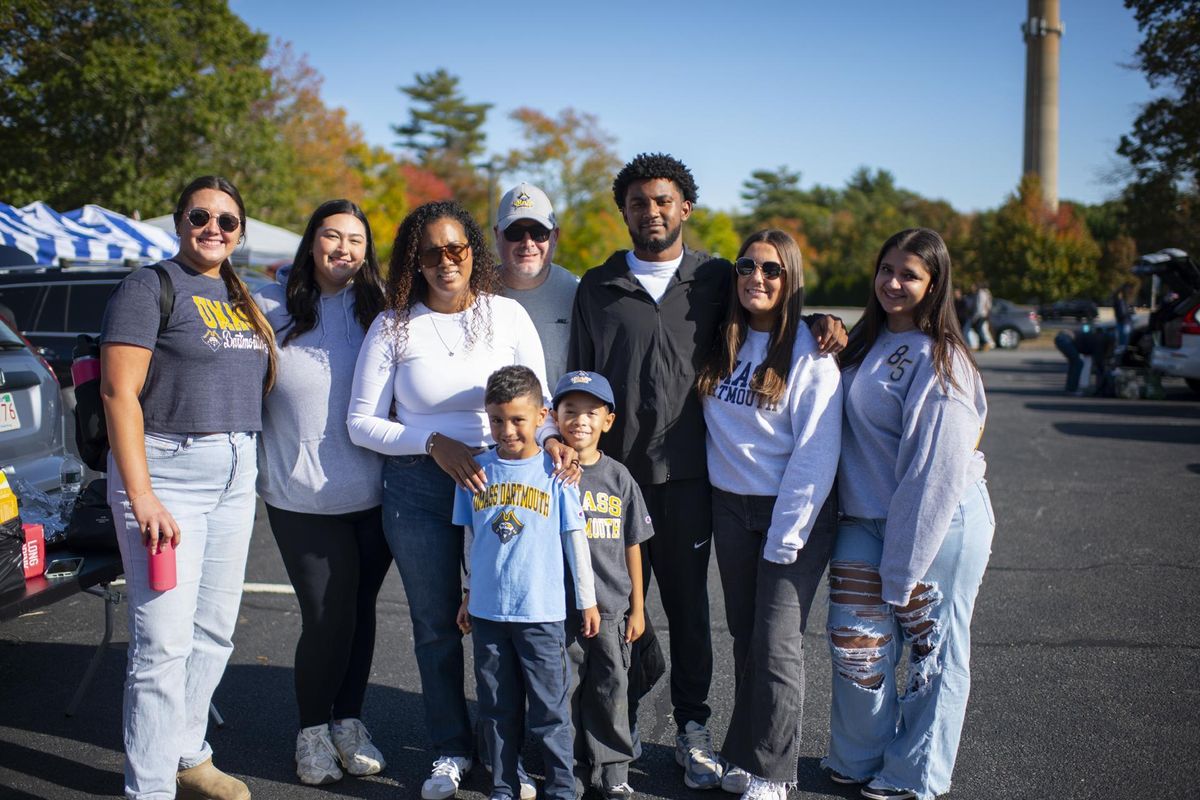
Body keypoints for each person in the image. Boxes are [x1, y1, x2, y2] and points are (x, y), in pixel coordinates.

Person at [567, 152, 846, 790]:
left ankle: (692, 727)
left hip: (694, 482)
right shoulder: (598, 285)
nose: (651, 211)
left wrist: (822, 324)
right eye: (638, 202)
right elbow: (579, 379)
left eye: (663, 200)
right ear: (624, 211)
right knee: (610, 610)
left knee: (690, 610)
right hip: (614, 479)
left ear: (685, 207)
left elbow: (767, 316)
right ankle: (622, 715)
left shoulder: (717, 278)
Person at [347, 200, 575, 800]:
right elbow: (361, 423)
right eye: (431, 253)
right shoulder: (394, 326)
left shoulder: (506, 316)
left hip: (508, 486)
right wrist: (431, 441)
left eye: (458, 249)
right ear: (414, 262)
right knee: (436, 626)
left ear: (475, 250)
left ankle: (509, 759)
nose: (447, 262)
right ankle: (451, 749)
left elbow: (541, 401)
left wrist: (552, 443)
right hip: (419, 488)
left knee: (508, 624)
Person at [100, 175, 274, 800]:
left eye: (228, 221)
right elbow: (119, 394)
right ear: (179, 222)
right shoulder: (148, 287)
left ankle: (186, 753)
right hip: (167, 474)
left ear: (239, 232)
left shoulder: (239, 294)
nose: (214, 229)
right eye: (201, 216)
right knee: (162, 645)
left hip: (234, 470)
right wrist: (142, 496)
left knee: (214, 631)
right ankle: (149, 790)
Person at [824, 228, 994, 800]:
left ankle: (914, 774)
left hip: (936, 523)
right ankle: (859, 756)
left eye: (911, 274)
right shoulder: (865, 343)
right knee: (856, 641)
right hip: (865, 520)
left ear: (935, 284)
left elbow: (936, 474)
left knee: (931, 655)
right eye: (887, 269)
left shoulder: (943, 362)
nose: (894, 282)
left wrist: (903, 568)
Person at [696, 230, 842, 800]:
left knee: (779, 644)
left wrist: (788, 532)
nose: (757, 277)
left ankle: (776, 773)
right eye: (746, 266)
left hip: (793, 509)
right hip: (730, 506)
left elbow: (816, 450)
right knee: (745, 637)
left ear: (791, 281)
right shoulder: (720, 342)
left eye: (772, 270)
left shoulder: (811, 352)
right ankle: (744, 751)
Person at [253, 199, 391, 785]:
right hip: (301, 497)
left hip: (377, 496)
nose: (343, 249)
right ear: (311, 242)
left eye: (355, 240)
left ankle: (348, 721)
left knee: (360, 613)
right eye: (332, 236)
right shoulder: (266, 308)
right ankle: (311, 730)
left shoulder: (383, 311)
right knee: (328, 615)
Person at [454, 365, 599, 800]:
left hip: (542, 612)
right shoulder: (475, 471)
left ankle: (561, 788)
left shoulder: (558, 473)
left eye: (518, 418)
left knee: (551, 708)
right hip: (488, 611)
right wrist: (466, 592)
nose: (507, 429)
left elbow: (576, 541)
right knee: (495, 707)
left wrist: (587, 602)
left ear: (542, 417)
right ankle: (502, 785)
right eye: (497, 419)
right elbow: (470, 539)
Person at [550, 370, 654, 800]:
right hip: (561, 605)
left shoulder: (618, 477)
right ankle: (572, 766)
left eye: (591, 412)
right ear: (554, 418)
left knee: (611, 687)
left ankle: (614, 769)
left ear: (608, 421)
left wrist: (639, 606)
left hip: (611, 606)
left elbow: (634, 543)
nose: (580, 420)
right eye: (570, 411)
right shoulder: (548, 472)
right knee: (567, 688)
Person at [494, 182, 580, 383]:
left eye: (538, 232)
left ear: (555, 236)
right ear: (497, 235)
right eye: (514, 232)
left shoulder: (579, 293)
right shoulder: (472, 295)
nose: (527, 243)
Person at [969, 282, 994, 351]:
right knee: (980, 329)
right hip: (984, 314)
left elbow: (980, 306)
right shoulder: (986, 293)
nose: (972, 288)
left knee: (979, 329)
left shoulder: (981, 294)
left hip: (981, 314)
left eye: (973, 287)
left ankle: (986, 343)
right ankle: (982, 344)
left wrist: (975, 317)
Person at [1112, 282, 1133, 347]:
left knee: (1125, 341)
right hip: (1122, 322)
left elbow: (1126, 312)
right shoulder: (1118, 301)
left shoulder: (1124, 301)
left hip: (1125, 322)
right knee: (1122, 341)